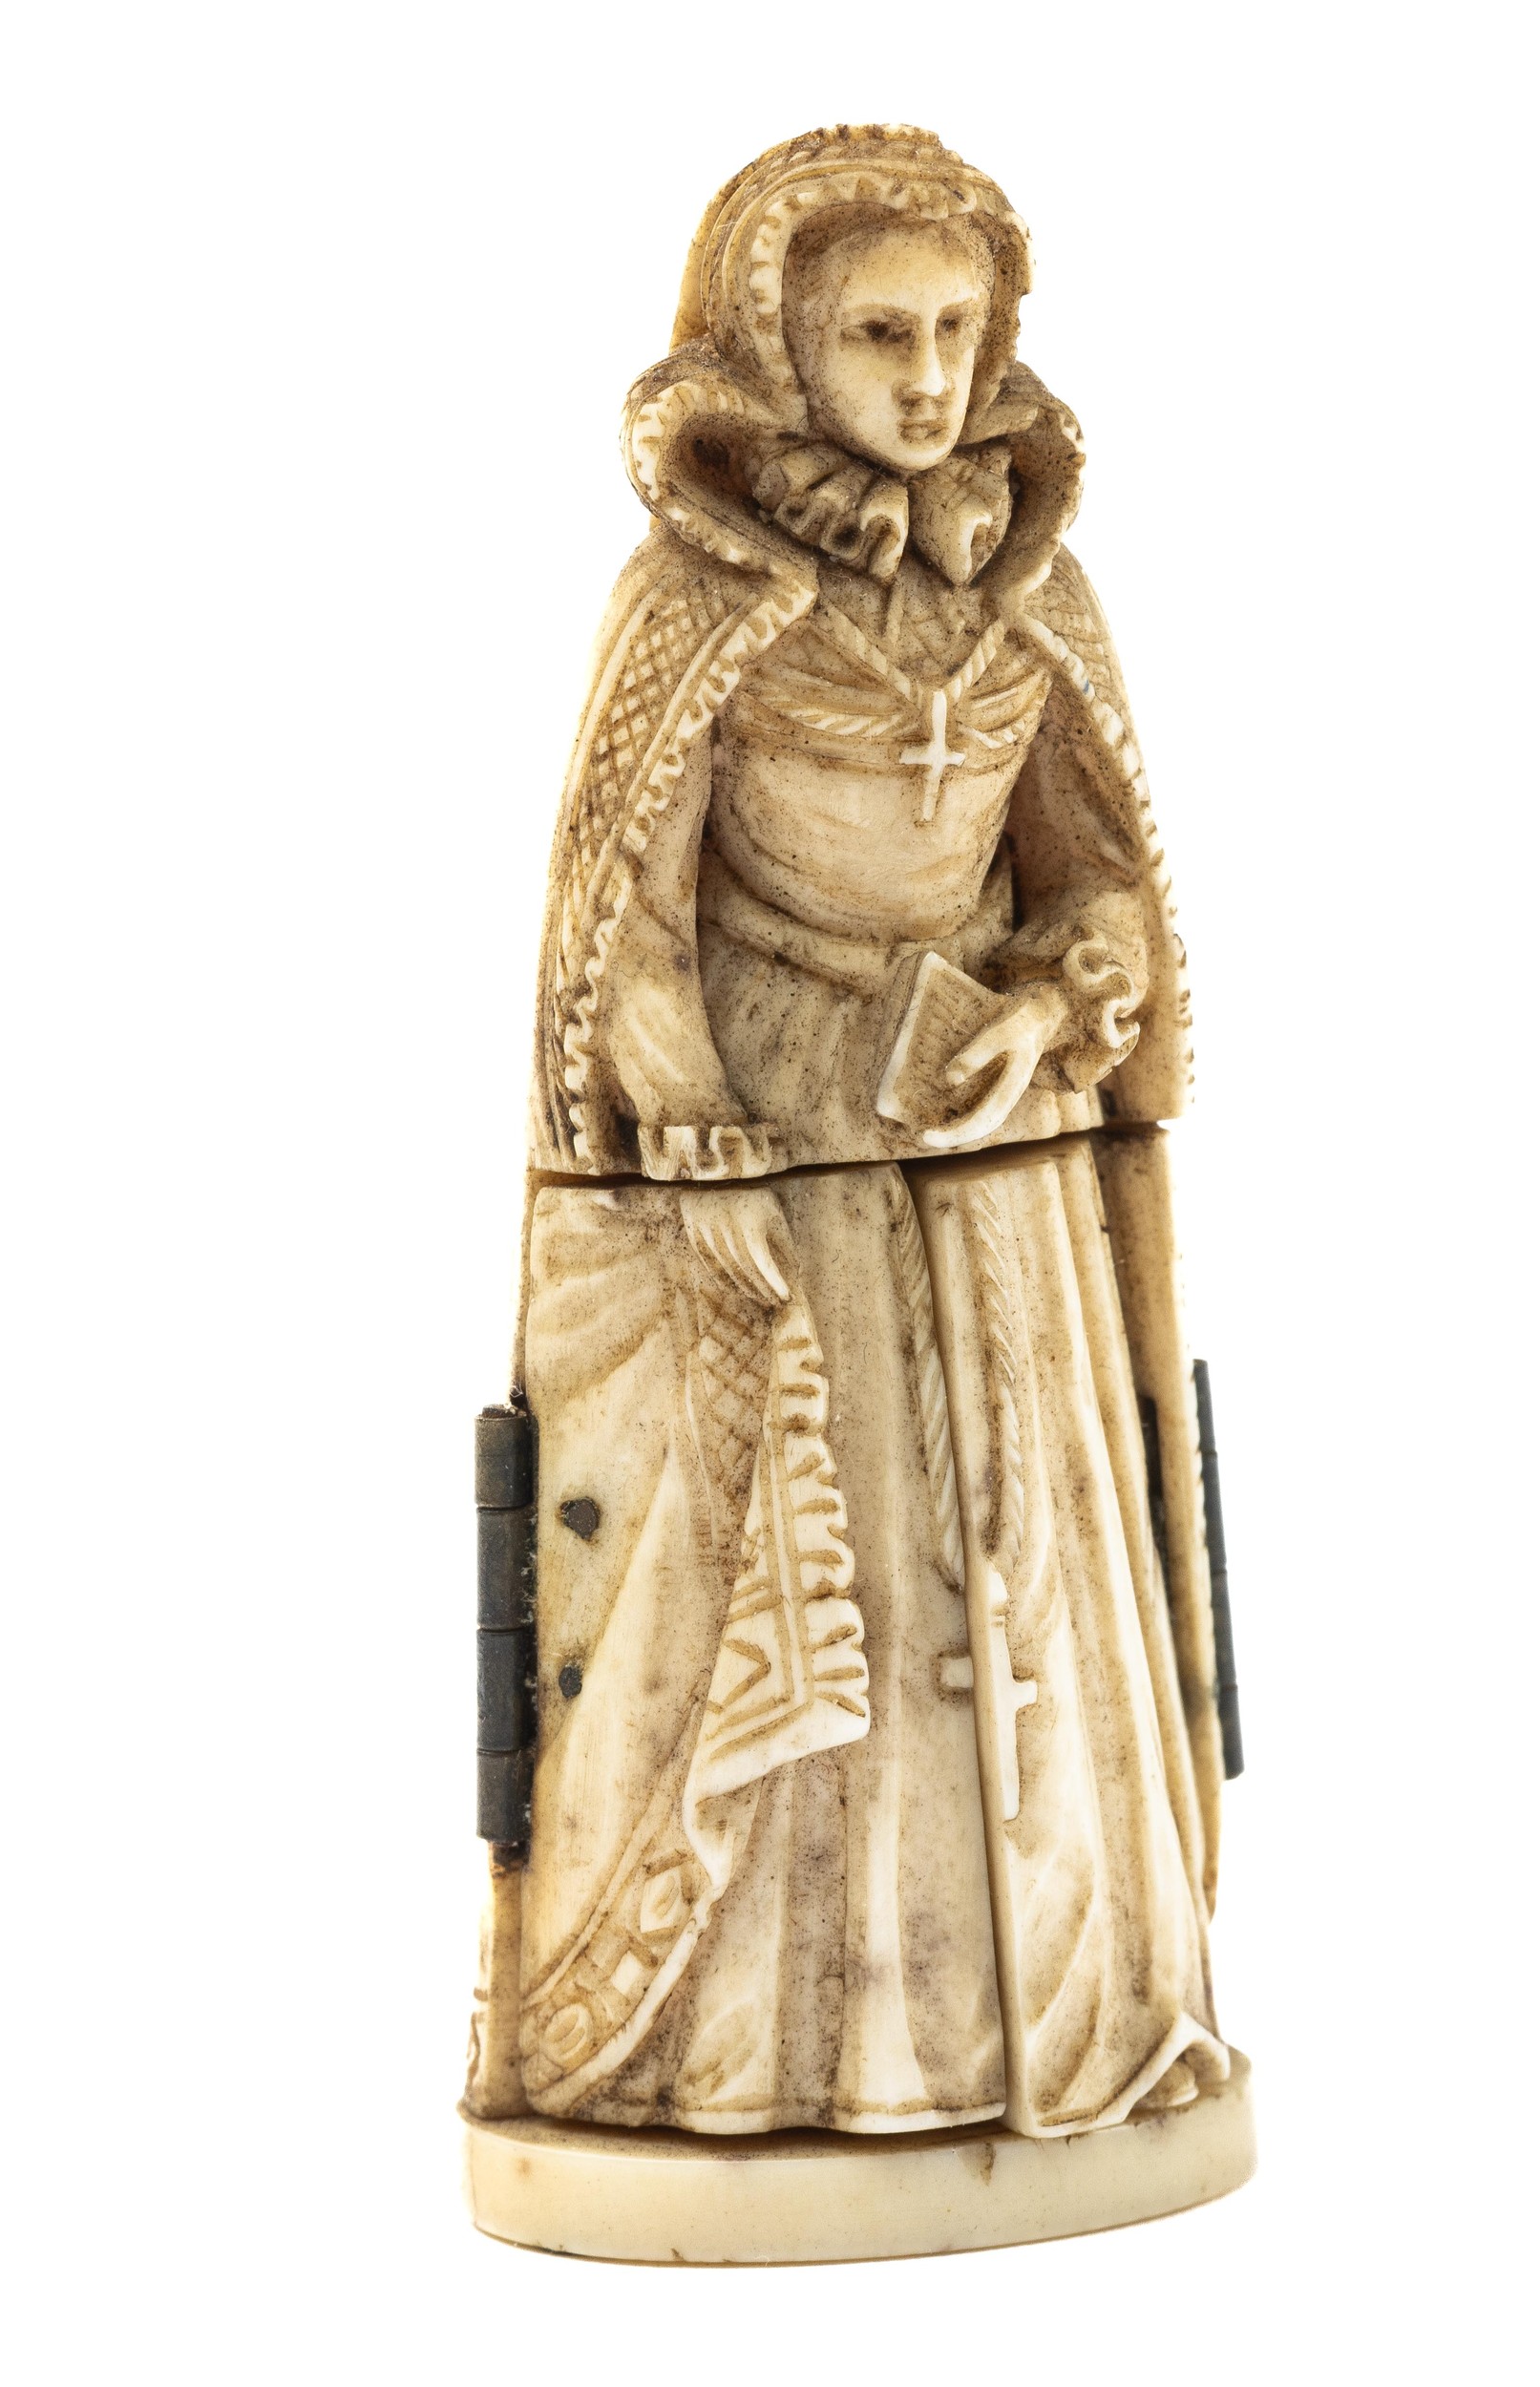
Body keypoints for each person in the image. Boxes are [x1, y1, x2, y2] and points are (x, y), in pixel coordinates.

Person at [469, 126, 1230, 2140]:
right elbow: (618, 921)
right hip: (785, 1172)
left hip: (1004, 1170)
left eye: (959, 332)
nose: (928, 378)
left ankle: (1058, 2024)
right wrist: (693, 1122)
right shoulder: (690, 602)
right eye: (880, 333)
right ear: (781, 346)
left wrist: (1055, 1007)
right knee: (839, 1610)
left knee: (1031, 1593)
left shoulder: (1033, 593)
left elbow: (1096, 880)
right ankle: (801, 2066)